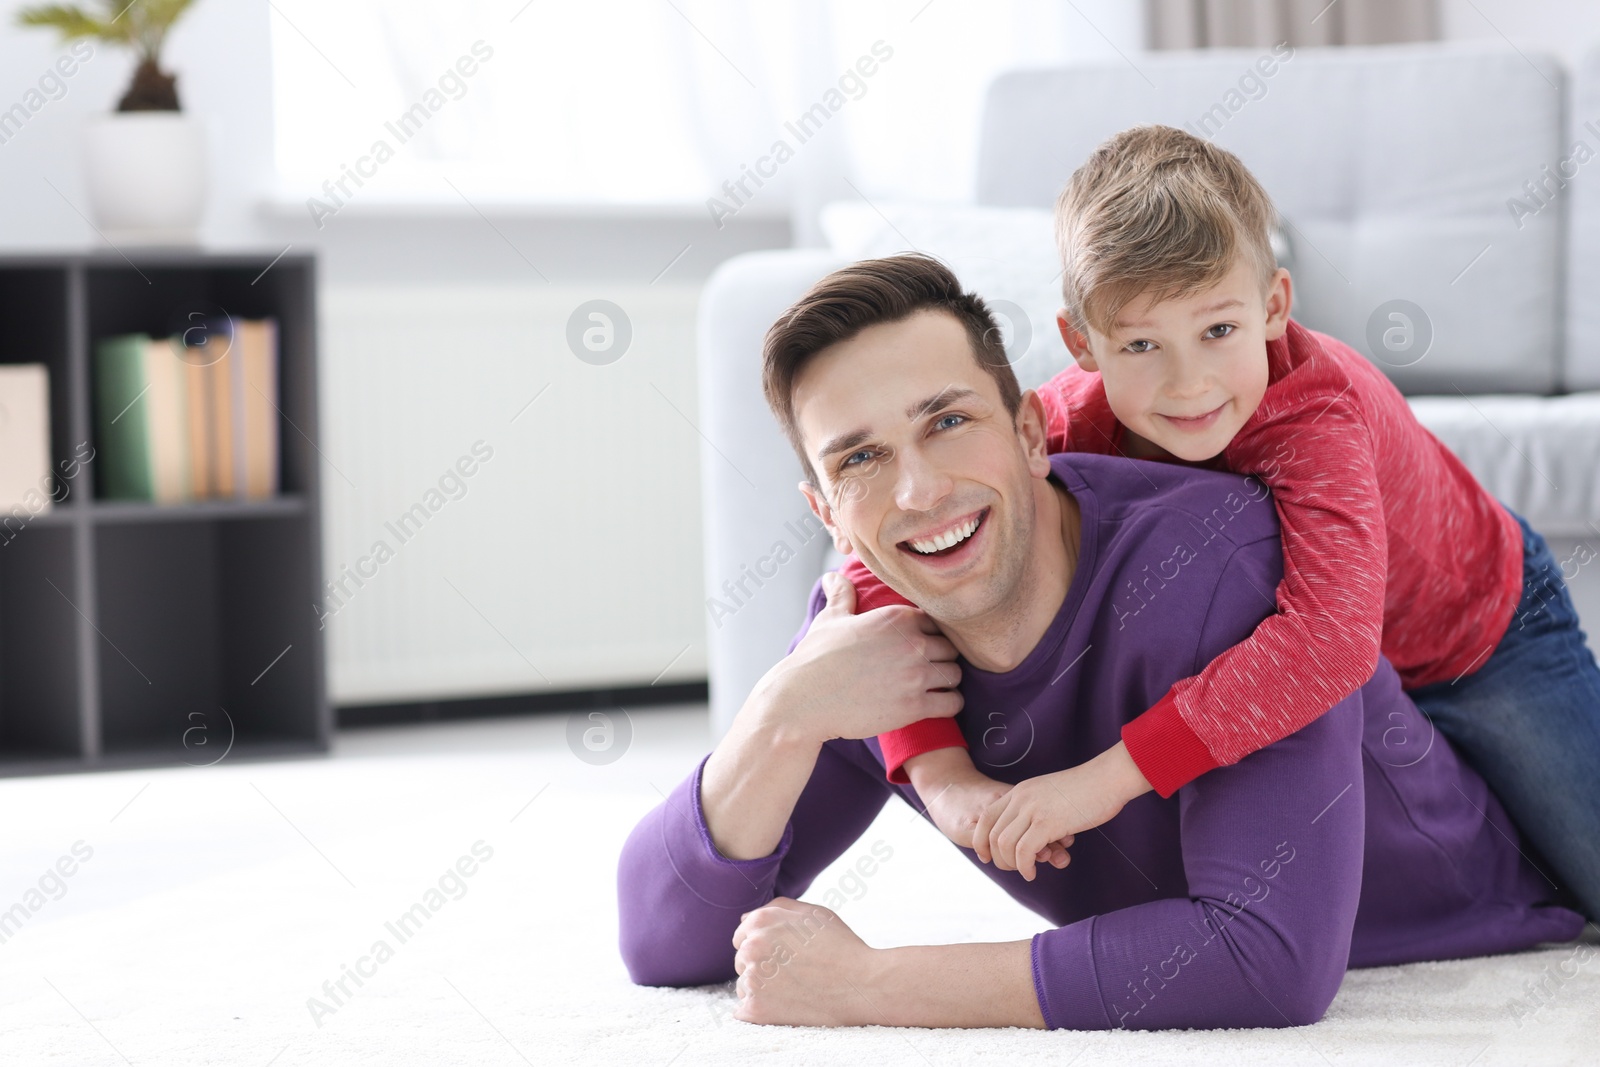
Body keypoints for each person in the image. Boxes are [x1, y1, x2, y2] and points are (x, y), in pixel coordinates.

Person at [616, 255, 1583, 1030]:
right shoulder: (873, 637)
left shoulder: (1225, 560)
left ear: (1034, 432)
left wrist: (870, 985)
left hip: (1489, 834)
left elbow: (1268, 964)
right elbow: (663, 944)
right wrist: (781, 713)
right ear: (828, 512)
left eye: (949, 422)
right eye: (862, 458)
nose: (918, 493)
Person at [849, 126, 1600, 917]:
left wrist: (1098, 784)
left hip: (1482, 636)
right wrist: (943, 778)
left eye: (1218, 330)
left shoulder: (1313, 412)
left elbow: (1329, 641)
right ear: (1083, 344)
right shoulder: (1066, 417)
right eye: (1141, 343)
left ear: (1274, 306)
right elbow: (878, 566)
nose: (1188, 383)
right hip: (1354, 697)